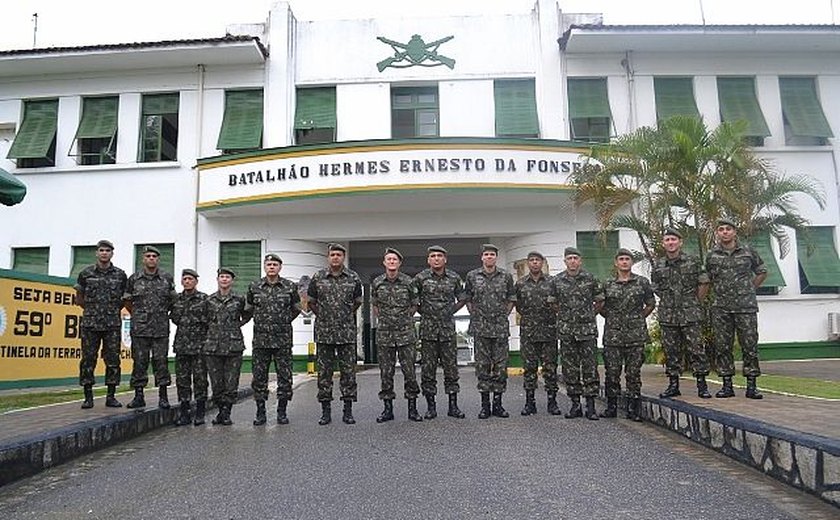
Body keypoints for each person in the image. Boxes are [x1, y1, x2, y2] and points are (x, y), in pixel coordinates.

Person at [705, 218, 768, 399]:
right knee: (723, 346)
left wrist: (749, 289)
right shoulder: (712, 255)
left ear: (734, 231)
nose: (725, 232)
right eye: (721, 229)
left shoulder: (748, 251)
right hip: (721, 308)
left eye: (728, 229)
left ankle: (751, 385)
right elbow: (707, 279)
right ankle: (727, 385)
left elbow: (762, 271)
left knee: (749, 345)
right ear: (717, 233)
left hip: (745, 306)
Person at [650, 228, 712, 399]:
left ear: (680, 242)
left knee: (696, 349)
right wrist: (669, 299)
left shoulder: (692, 261)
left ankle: (702, 385)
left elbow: (704, 282)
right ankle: (673, 385)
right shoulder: (659, 265)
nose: (671, 242)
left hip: (690, 314)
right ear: (663, 244)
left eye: (674, 239)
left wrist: (695, 302)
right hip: (668, 315)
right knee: (671, 351)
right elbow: (655, 286)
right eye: (667, 239)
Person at [307, 243, 363, 425]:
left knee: (348, 373)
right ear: (328, 257)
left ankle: (348, 411)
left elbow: (357, 301)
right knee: (324, 373)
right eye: (332, 254)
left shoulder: (353, 277)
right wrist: (324, 316)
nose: (336, 257)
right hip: (324, 333)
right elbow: (312, 302)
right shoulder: (318, 277)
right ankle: (326, 411)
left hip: (346, 333)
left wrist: (344, 316)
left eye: (339, 254)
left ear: (343, 257)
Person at [599, 249, 656, 421]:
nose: (624, 262)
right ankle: (611, 407)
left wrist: (637, 318)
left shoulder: (642, 282)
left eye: (627, 259)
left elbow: (650, 304)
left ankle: (634, 409)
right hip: (613, 336)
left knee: (633, 373)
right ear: (616, 263)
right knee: (612, 372)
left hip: (635, 335)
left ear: (631, 262)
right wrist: (613, 318)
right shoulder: (607, 284)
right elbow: (601, 306)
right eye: (621, 259)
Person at [246, 253, 301, 426]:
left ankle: (282, 412)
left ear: (280, 267)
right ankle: (260, 411)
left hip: (282, 339)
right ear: (264, 267)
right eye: (269, 264)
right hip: (261, 340)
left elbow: (296, 309)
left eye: (275, 264)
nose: (271, 267)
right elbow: (249, 309)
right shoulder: (254, 286)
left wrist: (282, 322)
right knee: (259, 377)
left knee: (284, 376)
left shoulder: (290, 286)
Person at [413, 245, 467, 419]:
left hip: (447, 331)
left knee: (451, 370)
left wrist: (450, 311)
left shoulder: (454, 277)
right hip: (428, 332)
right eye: (433, 256)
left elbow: (463, 298)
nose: (436, 258)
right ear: (428, 260)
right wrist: (426, 313)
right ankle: (431, 407)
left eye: (439, 256)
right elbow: (413, 301)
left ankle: (453, 406)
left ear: (445, 259)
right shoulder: (420, 278)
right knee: (428, 371)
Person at [552, 246, 604, 420]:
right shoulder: (557, 280)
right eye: (569, 258)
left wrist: (589, 314)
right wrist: (566, 316)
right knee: (570, 369)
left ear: (580, 261)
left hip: (587, 331)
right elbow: (553, 302)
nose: (573, 261)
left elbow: (600, 300)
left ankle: (590, 406)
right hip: (567, 331)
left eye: (575, 258)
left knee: (590, 368)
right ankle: (575, 405)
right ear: (565, 261)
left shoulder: (590, 278)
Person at [464, 244, 516, 419]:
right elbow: (468, 298)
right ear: (481, 257)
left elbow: (511, 298)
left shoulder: (506, 276)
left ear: (496, 257)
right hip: (481, 328)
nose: (489, 257)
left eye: (492, 254)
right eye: (486, 254)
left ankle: (498, 405)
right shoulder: (472, 276)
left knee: (501, 368)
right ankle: (485, 405)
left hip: (500, 328)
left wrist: (504, 314)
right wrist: (474, 314)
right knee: (483, 367)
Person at [74, 239, 128, 409]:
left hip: (112, 324)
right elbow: (79, 298)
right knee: (88, 360)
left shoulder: (120, 275)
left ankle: (111, 396)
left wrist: (110, 310)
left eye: (107, 250)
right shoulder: (85, 274)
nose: (104, 253)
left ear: (112, 253)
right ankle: (88, 396)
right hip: (90, 324)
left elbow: (123, 299)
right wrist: (92, 310)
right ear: (96, 253)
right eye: (101, 250)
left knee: (112, 360)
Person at [371, 247, 422, 423]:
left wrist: (403, 319)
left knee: (410, 372)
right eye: (389, 259)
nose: (392, 262)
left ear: (399, 263)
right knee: (386, 372)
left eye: (395, 259)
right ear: (384, 262)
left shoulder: (409, 282)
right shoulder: (377, 282)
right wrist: (386, 320)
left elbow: (415, 304)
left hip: (405, 333)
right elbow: (375, 306)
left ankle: (412, 409)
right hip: (385, 334)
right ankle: (387, 409)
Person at [123, 245, 176, 409]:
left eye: (154, 256)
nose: (151, 258)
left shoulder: (166, 278)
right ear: (143, 259)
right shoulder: (134, 279)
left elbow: (173, 301)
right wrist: (139, 315)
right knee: (139, 362)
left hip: (160, 329)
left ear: (158, 259)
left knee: (161, 362)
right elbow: (126, 300)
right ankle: (139, 396)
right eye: (148, 256)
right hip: (140, 329)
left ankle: (163, 396)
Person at [513, 251, 560, 416]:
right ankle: (529, 402)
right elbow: (517, 305)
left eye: (537, 260)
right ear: (528, 263)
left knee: (550, 368)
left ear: (542, 263)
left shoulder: (553, 282)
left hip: (549, 331)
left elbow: (558, 304)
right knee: (529, 368)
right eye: (531, 260)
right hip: (529, 333)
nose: (534, 263)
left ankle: (552, 402)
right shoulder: (520, 284)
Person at [203, 268, 252, 425]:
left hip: (233, 345)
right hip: (213, 346)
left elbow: (247, 315)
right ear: (217, 280)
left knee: (231, 382)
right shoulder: (209, 300)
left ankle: (226, 413)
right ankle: (220, 411)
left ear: (232, 281)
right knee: (217, 383)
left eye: (227, 277)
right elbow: (203, 319)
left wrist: (235, 326)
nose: (224, 279)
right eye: (222, 277)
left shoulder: (239, 299)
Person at [170, 269, 209, 426]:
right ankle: (184, 412)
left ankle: (200, 412)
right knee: (182, 380)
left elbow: (209, 320)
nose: (187, 281)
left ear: (196, 282)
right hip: (182, 346)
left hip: (200, 346)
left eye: (190, 279)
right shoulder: (176, 300)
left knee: (200, 380)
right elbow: (174, 318)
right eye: (185, 279)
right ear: (181, 282)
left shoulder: (204, 299)